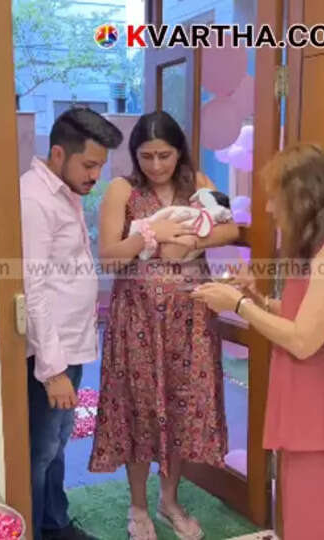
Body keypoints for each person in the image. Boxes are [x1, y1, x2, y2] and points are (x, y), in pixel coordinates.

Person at [191, 144, 324, 540]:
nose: (268, 209)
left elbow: (304, 340)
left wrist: (238, 304)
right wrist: (260, 300)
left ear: (303, 195)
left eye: (275, 198)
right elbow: (319, 316)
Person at [87, 111, 240, 540]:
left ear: (179, 152)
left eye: (165, 155)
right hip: (137, 320)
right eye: (147, 156)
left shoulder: (201, 183)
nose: (156, 165)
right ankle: (138, 506)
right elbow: (111, 256)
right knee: (139, 409)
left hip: (190, 320)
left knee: (180, 408)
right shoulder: (123, 189)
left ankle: (168, 500)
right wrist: (154, 235)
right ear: (135, 155)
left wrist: (190, 240)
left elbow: (230, 231)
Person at [20, 106, 123, 540]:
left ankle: (55, 522)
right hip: (51, 354)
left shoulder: (65, 193)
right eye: (89, 164)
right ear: (59, 154)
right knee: (41, 450)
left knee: (59, 443)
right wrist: (53, 369)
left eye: (100, 165)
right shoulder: (35, 199)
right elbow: (34, 288)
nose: (95, 174)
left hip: (73, 345)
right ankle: (38, 531)